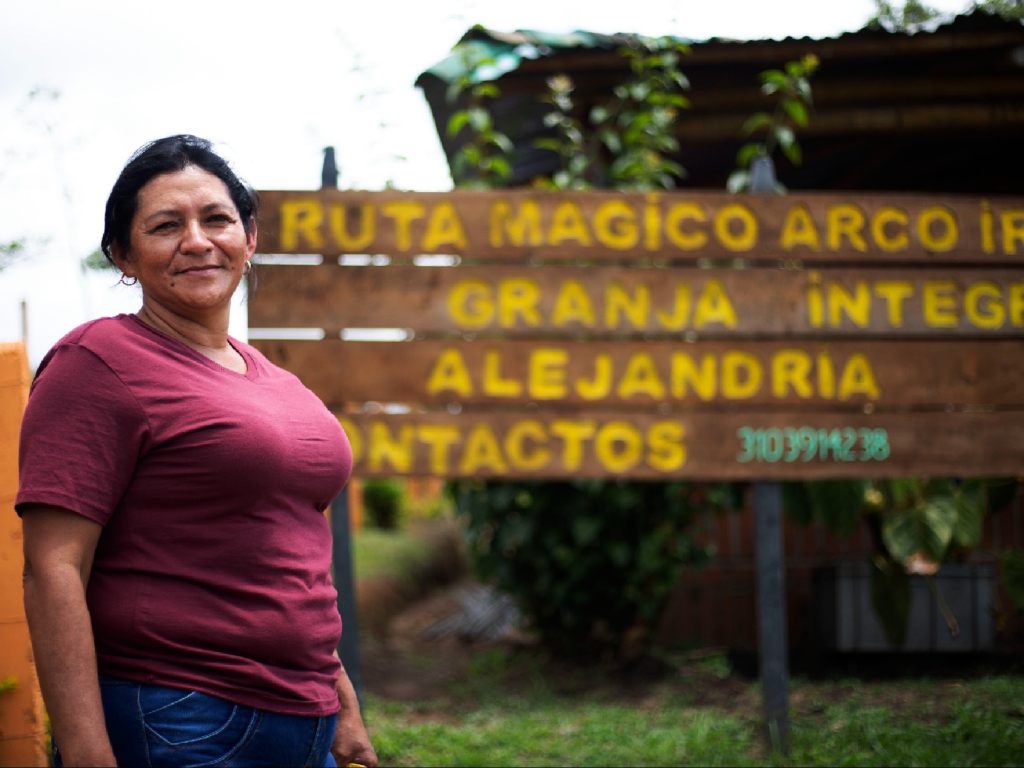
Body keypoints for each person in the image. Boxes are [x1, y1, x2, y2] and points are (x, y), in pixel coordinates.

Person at [17, 135, 377, 768]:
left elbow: (287, 555)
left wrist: (342, 701)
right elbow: (54, 567)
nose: (197, 240)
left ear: (250, 237)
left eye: (216, 218)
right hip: (179, 714)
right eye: (165, 226)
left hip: (307, 713)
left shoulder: (276, 380)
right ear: (123, 255)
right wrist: (85, 750)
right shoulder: (98, 362)